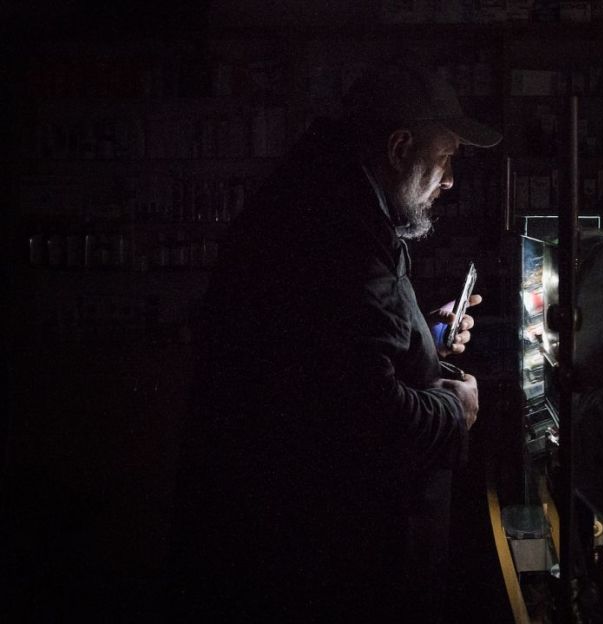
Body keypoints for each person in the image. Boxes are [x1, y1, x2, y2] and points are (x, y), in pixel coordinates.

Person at [169, 56, 501, 623]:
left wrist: (424, 338)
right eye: (444, 159)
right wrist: (455, 408)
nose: (449, 180)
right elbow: (366, 416)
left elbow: (342, 344)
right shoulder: (339, 230)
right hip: (324, 553)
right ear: (399, 149)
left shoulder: (330, 198)